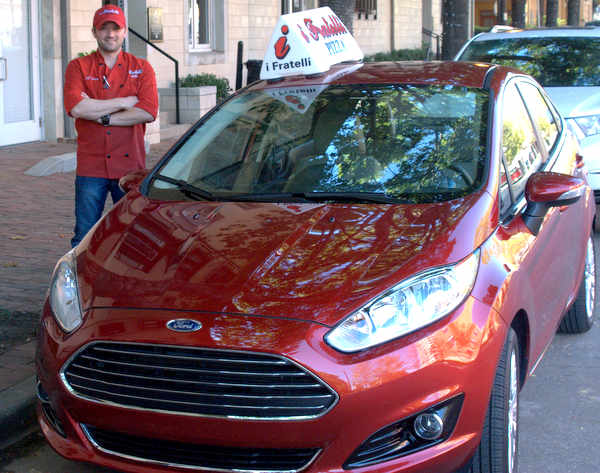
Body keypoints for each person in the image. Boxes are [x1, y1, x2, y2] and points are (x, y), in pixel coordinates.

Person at [63, 5, 158, 248]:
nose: (110, 34)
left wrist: (100, 114)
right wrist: (123, 103)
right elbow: (77, 108)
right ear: (94, 32)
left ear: (124, 31)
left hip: (129, 168)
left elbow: (147, 111)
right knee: (84, 234)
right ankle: (79, 282)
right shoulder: (78, 67)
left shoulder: (142, 68)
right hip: (90, 166)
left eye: (115, 28)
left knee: (130, 234)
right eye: (103, 29)